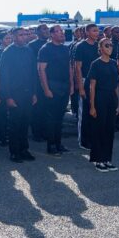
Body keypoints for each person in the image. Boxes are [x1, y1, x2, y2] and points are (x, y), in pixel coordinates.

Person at [0, 27, 37, 163]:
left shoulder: (29, 51)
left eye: (25, 34)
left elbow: (34, 73)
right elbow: (4, 76)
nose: (24, 37)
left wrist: (34, 93)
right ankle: (14, 152)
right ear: (14, 37)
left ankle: (24, 149)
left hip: (28, 93)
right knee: (15, 125)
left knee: (25, 123)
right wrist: (8, 96)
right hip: (14, 94)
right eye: (21, 35)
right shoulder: (8, 52)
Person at [38, 25, 73, 156]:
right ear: (52, 35)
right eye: (57, 31)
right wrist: (46, 89)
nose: (61, 33)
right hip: (52, 87)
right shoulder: (46, 49)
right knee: (51, 118)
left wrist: (71, 84)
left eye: (61, 31)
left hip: (64, 87)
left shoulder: (65, 49)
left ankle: (58, 143)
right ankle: (51, 145)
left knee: (59, 118)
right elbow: (41, 70)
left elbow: (69, 67)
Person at [87, 38, 119, 172]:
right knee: (99, 129)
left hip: (112, 98)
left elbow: (116, 84)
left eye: (111, 45)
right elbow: (92, 86)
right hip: (100, 97)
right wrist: (92, 106)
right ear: (100, 48)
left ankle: (107, 159)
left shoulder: (113, 63)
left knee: (109, 130)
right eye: (107, 45)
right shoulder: (96, 64)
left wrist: (118, 103)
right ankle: (98, 160)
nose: (110, 47)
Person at [74, 24, 100, 149]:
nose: (97, 33)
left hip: (98, 82)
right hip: (85, 81)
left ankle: (94, 137)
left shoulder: (98, 46)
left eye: (97, 30)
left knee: (96, 111)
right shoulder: (81, 46)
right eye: (94, 31)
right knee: (84, 112)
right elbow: (77, 68)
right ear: (87, 32)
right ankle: (83, 141)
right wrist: (81, 87)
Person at [28, 24, 49, 141]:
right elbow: (31, 66)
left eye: (47, 29)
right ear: (37, 32)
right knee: (38, 109)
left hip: (49, 81)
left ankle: (46, 131)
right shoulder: (32, 46)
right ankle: (37, 133)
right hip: (37, 82)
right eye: (44, 29)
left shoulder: (51, 45)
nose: (47, 31)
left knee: (47, 109)